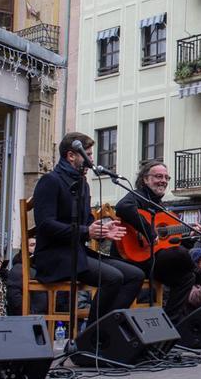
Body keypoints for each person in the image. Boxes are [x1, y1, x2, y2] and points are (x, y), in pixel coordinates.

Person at [33, 132, 141, 326]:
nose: (92, 159)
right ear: (71, 155)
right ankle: (93, 336)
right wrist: (86, 231)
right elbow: (45, 225)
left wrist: (102, 231)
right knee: (113, 278)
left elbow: (87, 222)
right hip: (55, 256)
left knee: (135, 275)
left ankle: (109, 328)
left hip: (78, 252)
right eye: (88, 154)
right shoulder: (50, 181)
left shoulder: (83, 184)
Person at [114, 160, 201, 325]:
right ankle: (200, 275)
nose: (163, 181)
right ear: (145, 179)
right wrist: (149, 231)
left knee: (186, 277)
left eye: (166, 178)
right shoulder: (137, 196)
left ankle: (170, 326)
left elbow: (174, 242)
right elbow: (122, 207)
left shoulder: (161, 207)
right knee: (180, 254)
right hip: (133, 259)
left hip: (154, 261)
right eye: (158, 176)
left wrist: (191, 236)